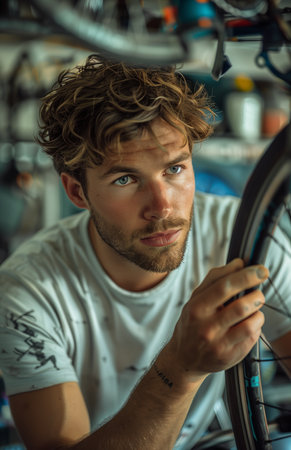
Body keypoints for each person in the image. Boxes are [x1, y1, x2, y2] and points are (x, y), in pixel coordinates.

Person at [0, 54, 290, 450]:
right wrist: (180, 368)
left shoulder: (243, 238)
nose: (163, 206)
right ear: (76, 192)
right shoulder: (26, 292)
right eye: (124, 178)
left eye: (174, 169)